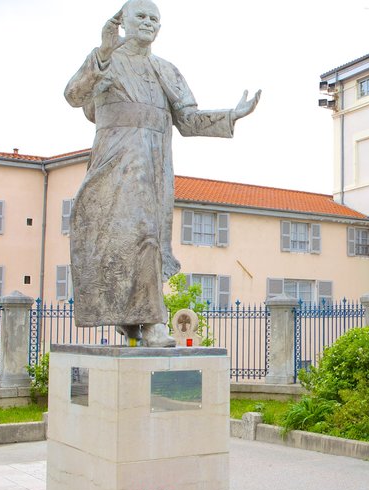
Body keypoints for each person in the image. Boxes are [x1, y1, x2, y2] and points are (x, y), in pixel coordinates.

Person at [65, 0, 259, 346]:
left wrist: (232, 115)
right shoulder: (103, 61)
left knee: (148, 239)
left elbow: (187, 120)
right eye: (141, 16)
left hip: (154, 165)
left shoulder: (166, 70)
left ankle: (147, 321)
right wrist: (103, 52)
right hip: (114, 161)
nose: (149, 22)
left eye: (155, 18)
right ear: (121, 21)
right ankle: (136, 321)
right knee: (113, 241)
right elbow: (74, 95)